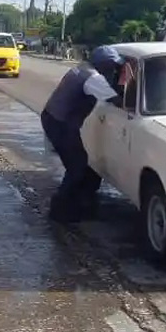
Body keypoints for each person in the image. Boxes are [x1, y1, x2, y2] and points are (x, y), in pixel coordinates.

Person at [40, 45, 124, 223]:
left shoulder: (81, 69)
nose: (113, 70)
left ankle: (81, 202)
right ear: (104, 64)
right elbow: (116, 100)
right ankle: (59, 210)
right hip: (60, 123)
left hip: (54, 117)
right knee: (76, 167)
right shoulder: (93, 78)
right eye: (112, 66)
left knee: (81, 162)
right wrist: (127, 80)